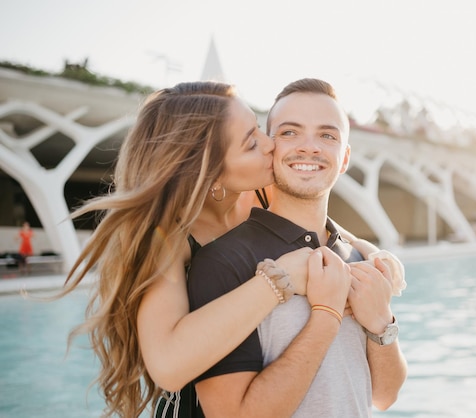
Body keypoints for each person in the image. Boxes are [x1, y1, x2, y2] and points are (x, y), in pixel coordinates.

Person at [57, 80, 401, 418]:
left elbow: (315, 221)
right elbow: (168, 366)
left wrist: (370, 253)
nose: (271, 145)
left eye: (260, 130)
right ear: (209, 168)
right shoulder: (168, 239)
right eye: (252, 142)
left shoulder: (258, 194)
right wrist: (280, 282)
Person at [187, 78, 408, 417]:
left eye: (327, 135)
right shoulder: (224, 261)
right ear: (269, 148)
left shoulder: (359, 257)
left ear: (344, 157)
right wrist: (327, 315)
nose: (309, 147)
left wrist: (382, 322)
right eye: (290, 132)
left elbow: (384, 395)